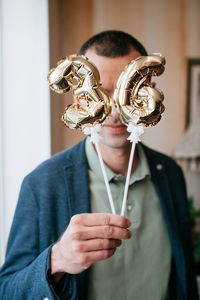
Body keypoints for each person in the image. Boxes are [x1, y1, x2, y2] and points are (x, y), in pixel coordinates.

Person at [0, 30, 198, 300]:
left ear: (148, 88)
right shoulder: (42, 183)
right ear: (79, 97)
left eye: (127, 92)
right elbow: (7, 289)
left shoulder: (171, 174)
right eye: (101, 93)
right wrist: (56, 260)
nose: (115, 111)